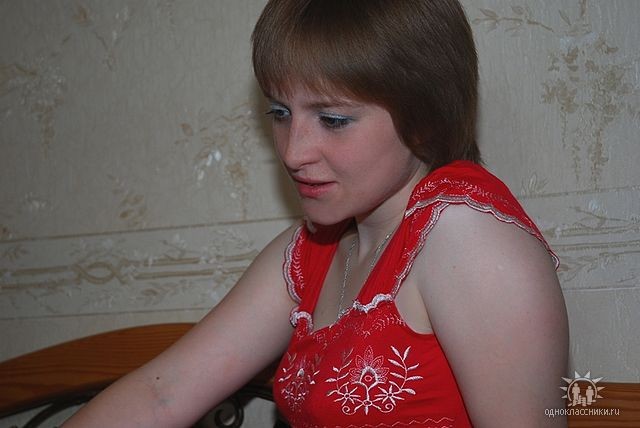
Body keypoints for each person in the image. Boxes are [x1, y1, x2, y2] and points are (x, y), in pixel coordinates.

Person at [63, 0, 569, 426]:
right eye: (280, 113)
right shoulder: (315, 248)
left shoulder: (465, 230)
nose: (293, 152)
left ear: (425, 116)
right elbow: (164, 393)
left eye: (333, 119)